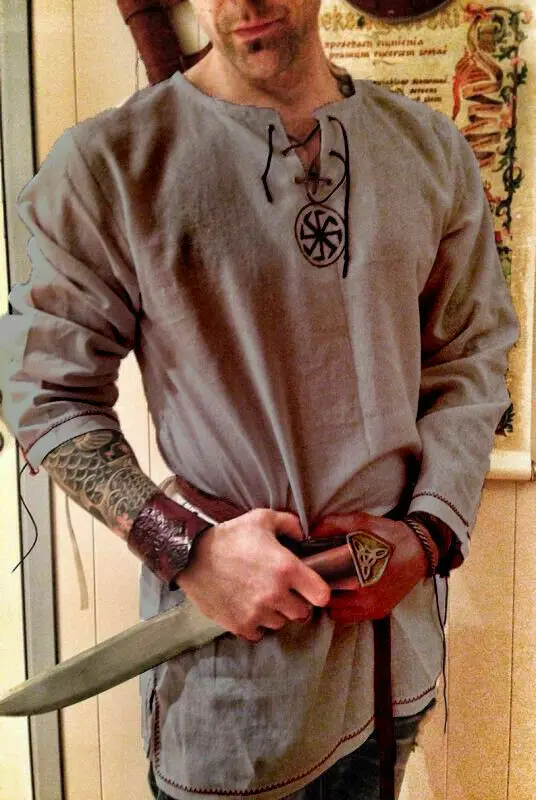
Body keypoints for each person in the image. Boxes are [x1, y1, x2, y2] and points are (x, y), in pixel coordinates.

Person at [0, 1, 518, 798]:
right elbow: (43, 390)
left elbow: (468, 357)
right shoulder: (110, 164)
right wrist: (187, 548)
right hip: (233, 681)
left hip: (391, 650)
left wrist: (426, 535)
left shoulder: (427, 147)